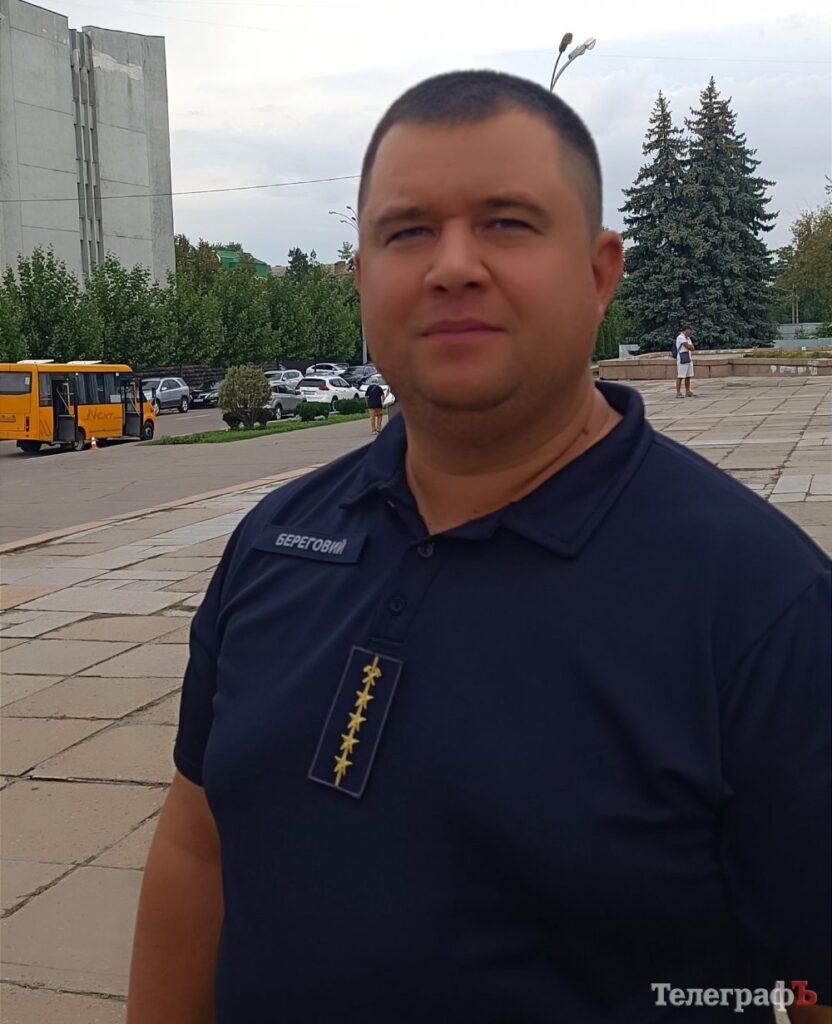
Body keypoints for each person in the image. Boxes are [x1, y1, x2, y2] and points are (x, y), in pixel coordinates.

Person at [128, 71, 830, 1024]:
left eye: (506, 223)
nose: (452, 265)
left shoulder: (763, 606)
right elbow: (197, 845)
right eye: (408, 232)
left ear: (599, 273)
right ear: (363, 276)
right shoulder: (274, 543)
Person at [675, 325, 695, 397]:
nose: (691, 332)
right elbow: (688, 346)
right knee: (680, 376)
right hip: (682, 358)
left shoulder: (688, 338)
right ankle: (678, 392)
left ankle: (687, 391)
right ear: (686, 330)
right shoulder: (680, 337)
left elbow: (692, 348)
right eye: (690, 330)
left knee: (688, 376)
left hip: (688, 357)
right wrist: (690, 346)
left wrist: (690, 347)